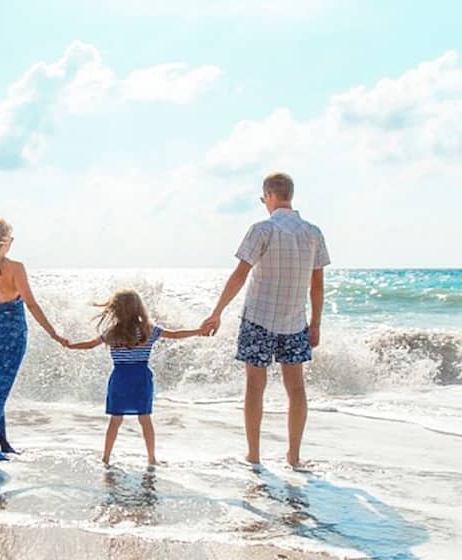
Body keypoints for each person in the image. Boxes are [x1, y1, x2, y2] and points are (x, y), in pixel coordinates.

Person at [201, 173, 330, 468]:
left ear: (269, 196)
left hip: (258, 318)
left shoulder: (262, 229)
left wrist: (217, 311)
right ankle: (294, 457)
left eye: (263, 199)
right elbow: (318, 286)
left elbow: (239, 275)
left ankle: (254, 455)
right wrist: (317, 323)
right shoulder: (313, 233)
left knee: (255, 388)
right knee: (296, 389)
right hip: (295, 321)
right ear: (290, 195)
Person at [0, 218, 67, 461]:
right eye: (10, 237)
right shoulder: (15, 268)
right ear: (5, 240)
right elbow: (30, 303)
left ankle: (0, 440)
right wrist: (53, 333)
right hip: (10, 330)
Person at [65, 289, 202, 465]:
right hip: (141, 379)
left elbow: (90, 345)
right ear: (139, 308)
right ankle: (152, 458)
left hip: (120, 378)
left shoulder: (111, 333)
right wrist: (198, 331)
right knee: (145, 419)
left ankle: (106, 458)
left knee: (115, 420)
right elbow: (175, 334)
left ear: (115, 310)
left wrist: (70, 345)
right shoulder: (148, 330)